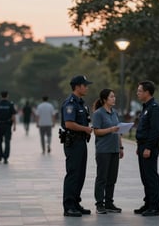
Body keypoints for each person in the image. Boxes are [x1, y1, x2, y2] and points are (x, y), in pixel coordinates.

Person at [60, 75, 93, 217]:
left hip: (81, 142)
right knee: (73, 173)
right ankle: (69, 206)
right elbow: (69, 124)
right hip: (73, 142)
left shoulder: (81, 103)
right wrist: (85, 129)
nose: (86, 87)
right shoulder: (70, 103)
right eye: (85, 85)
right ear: (78, 86)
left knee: (81, 174)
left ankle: (76, 202)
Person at [92, 89, 124, 214]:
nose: (114, 98)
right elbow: (96, 131)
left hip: (114, 149)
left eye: (114, 96)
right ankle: (100, 204)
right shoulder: (98, 114)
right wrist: (110, 129)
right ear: (105, 99)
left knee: (112, 178)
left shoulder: (114, 113)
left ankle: (109, 203)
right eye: (111, 97)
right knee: (102, 178)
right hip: (103, 150)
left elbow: (118, 132)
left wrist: (121, 147)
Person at [134, 80, 159, 217]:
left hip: (149, 147)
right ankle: (148, 203)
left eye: (140, 91)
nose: (137, 93)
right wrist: (139, 146)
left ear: (147, 92)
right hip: (142, 146)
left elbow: (155, 130)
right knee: (145, 177)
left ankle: (154, 207)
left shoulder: (154, 108)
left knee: (151, 177)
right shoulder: (146, 107)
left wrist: (148, 147)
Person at [0, 91, 17, 164]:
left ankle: (0, 155)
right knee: (7, 141)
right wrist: (14, 126)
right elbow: (13, 116)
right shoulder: (10, 105)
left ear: (1, 96)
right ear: (7, 96)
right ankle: (5, 157)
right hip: (8, 125)